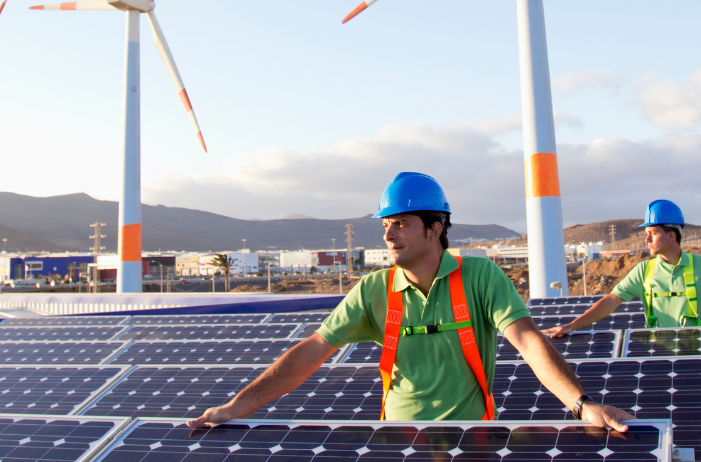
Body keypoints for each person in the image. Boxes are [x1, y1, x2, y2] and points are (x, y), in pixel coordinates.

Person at [187, 172, 633, 431]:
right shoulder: (373, 289)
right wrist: (236, 406)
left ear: (435, 228)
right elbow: (311, 351)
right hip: (397, 437)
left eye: (400, 223)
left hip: (470, 438)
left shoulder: (479, 276)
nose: (387, 234)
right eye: (386, 224)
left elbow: (529, 342)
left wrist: (581, 405)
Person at [543, 199, 701, 338]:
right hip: (657, 358)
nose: (647, 239)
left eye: (652, 233)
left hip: (698, 358)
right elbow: (610, 301)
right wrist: (572, 325)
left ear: (671, 235)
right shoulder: (643, 270)